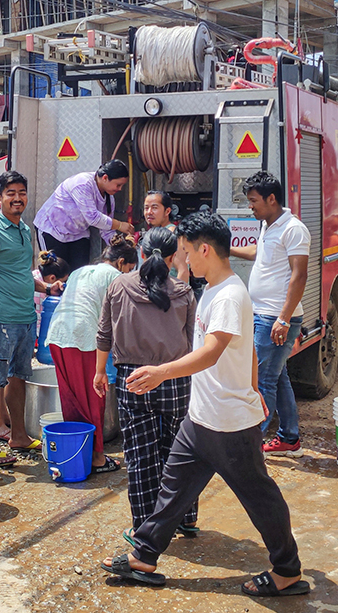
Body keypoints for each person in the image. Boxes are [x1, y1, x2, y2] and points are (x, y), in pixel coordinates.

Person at [100, 212, 307, 598]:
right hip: (201, 418)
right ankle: (144, 555)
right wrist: (253, 388)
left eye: (187, 252)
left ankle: (287, 570)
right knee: (173, 489)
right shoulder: (212, 288)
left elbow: (212, 353)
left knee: (259, 496)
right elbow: (244, 354)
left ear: (205, 249)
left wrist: (161, 372)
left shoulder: (228, 294)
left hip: (228, 423)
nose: (184, 260)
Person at [95, 227, 198, 536]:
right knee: (178, 453)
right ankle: (186, 517)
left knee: (141, 457)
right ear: (171, 257)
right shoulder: (184, 292)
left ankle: (145, 527)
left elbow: (104, 334)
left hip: (133, 380)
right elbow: (192, 341)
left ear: (140, 253)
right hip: (175, 379)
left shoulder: (119, 286)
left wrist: (101, 372)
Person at [0, 171, 58, 452]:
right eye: (11, 193)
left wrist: (46, 287)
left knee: (18, 377)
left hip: (25, 317)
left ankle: (18, 435)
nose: (17, 198)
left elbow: (20, 274)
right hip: (1, 319)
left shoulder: (23, 229)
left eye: (21, 192)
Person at [229, 172, 310, 457]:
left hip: (274, 318)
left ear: (271, 199)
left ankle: (250, 447)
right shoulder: (269, 225)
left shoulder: (293, 229)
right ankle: (289, 438)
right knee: (278, 377)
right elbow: (258, 254)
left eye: (253, 201)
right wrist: (224, 249)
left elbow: (300, 276)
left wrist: (284, 318)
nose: (250, 206)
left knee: (262, 380)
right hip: (264, 315)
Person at [46, 235, 137, 472]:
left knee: (72, 398)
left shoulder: (79, 271)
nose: (128, 274)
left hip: (57, 334)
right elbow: (119, 319)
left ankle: (77, 452)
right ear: (121, 263)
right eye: (129, 269)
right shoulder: (115, 277)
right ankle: (96, 458)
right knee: (93, 398)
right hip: (82, 338)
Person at [0, 251, 69, 386]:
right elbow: (35, 324)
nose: (64, 286)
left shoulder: (37, 278)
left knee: (1, 371)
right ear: (53, 278)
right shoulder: (37, 293)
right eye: (64, 281)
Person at [33, 160, 134, 272]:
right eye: (118, 185)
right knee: (56, 273)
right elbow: (93, 217)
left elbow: (107, 229)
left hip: (78, 234)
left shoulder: (109, 199)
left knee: (79, 274)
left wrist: (120, 246)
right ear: (105, 178)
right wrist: (119, 225)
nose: (120, 189)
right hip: (53, 230)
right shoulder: (82, 184)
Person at [140, 190, 188, 283]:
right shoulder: (151, 233)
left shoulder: (173, 234)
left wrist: (178, 296)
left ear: (167, 211)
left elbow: (183, 270)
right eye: (146, 208)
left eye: (154, 208)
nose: (149, 212)